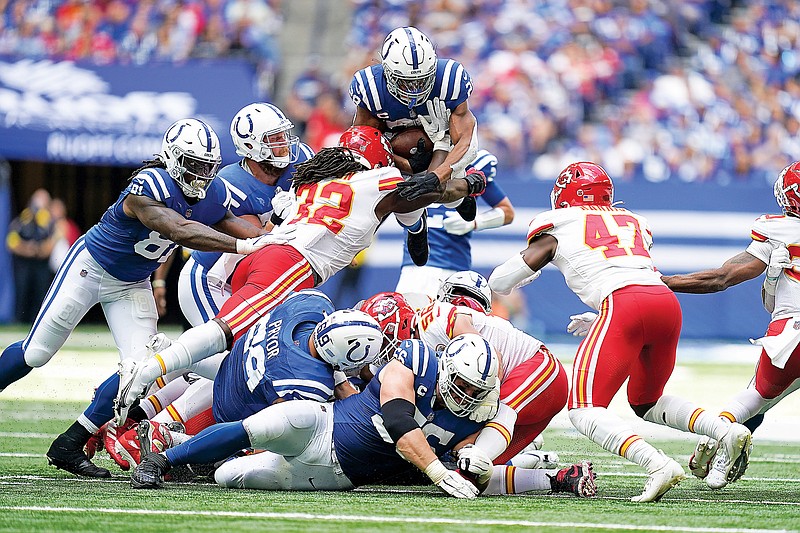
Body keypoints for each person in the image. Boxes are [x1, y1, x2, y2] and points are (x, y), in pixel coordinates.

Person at [115, 125, 487, 421]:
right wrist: (472, 184)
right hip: (293, 264)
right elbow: (432, 191)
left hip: (268, 256)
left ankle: (168, 389)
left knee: (251, 356)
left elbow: (411, 218)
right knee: (224, 333)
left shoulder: (312, 180)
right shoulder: (376, 180)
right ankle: (154, 366)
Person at [0, 118, 273, 478]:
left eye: (209, 166)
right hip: (92, 267)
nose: (203, 174)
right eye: (195, 165)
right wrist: (247, 245)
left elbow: (224, 219)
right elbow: (179, 229)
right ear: (173, 159)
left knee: (141, 370)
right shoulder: (148, 185)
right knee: (38, 351)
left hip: (131, 283)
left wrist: (274, 239)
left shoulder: (213, 191)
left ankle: (70, 443)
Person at [487, 161, 753, 502]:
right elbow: (625, 270)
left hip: (624, 305)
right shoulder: (633, 221)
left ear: (566, 196)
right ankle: (724, 430)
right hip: (664, 302)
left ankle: (657, 465)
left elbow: (500, 282)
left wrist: (532, 269)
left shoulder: (559, 224)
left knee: (583, 408)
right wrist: (602, 314)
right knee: (647, 401)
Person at [113, 290, 382, 469]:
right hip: (233, 407)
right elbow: (284, 427)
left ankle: (166, 364)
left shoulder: (312, 304)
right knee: (296, 442)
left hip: (234, 363)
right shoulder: (306, 382)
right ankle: (174, 439)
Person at [659, 161, 800, 489]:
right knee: (760, 399)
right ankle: (723, 442)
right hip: (788, 328)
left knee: (757, 397)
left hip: (789, 335)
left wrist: (663, 281)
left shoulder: (778, 231)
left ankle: (720, 432)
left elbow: (722, 278)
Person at [361, 275, 568, 467]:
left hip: (536, 365)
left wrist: (491, 395)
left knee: (491, 428)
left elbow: (489, 355)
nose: (381, 350)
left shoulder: (435, 320)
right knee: (472, 470)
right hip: (508, 386)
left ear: (402, 324)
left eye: (383, 340)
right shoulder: (411, 352)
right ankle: (546, 471)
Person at [349, 26, 481, 265]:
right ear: (387, 72)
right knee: (405, 199)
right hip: (394, 148)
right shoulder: (372, 89)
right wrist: (404, 163)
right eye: (407, 82)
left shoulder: (449, 79)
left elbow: (466, 138)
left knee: (442, 187)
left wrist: (438, 173)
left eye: (422, 81)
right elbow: (365, 144)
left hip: (442, 138)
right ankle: (416, 227)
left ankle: (459, 195)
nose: (415, 90)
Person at [395, 149, 515, 298]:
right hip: (414, 266)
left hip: (452, 264)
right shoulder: (413, 160)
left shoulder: (474, 165)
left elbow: (507, 212)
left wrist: (475, 223)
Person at [6, 188, 57, 323]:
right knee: (22, 292)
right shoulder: (24, 217)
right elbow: (11, 241)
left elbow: (53, 240)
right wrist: (26, 249)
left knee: (41, 294)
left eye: (43, 199)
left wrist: (40, 250)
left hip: (42, 264)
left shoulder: (49, 221)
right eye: (37, 199)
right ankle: (18, 321)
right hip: (24, 264)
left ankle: (39, 323)